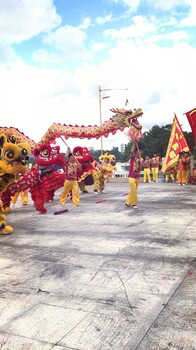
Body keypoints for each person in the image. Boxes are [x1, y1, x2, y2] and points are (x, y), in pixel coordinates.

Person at [125, 142, 143, 209]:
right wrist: (134, 143)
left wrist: (141, 164)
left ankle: (128, 202)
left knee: (133, 190)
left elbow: (140, 168)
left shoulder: (141, 159)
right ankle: (134, 203)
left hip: (137, 177)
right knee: (134, 190)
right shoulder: (133, 157)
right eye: (139, 151)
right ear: (136, 151)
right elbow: (132, 151)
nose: (140, 153)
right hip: (131, 176)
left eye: (141, 152)